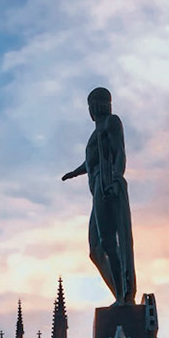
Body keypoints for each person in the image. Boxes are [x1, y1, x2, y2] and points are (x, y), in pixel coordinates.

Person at [61, 86, 137, 305]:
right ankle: (119, 294)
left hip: (107, 188)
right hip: (97, 190)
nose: (92, 109)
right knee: (96, 249)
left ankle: (124, 296)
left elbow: (120, 152)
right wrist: (75, 172)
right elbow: (91, 161)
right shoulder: (95, 133)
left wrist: (115, 178)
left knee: (108, 242)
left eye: (93, 104)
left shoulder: (111, 122)